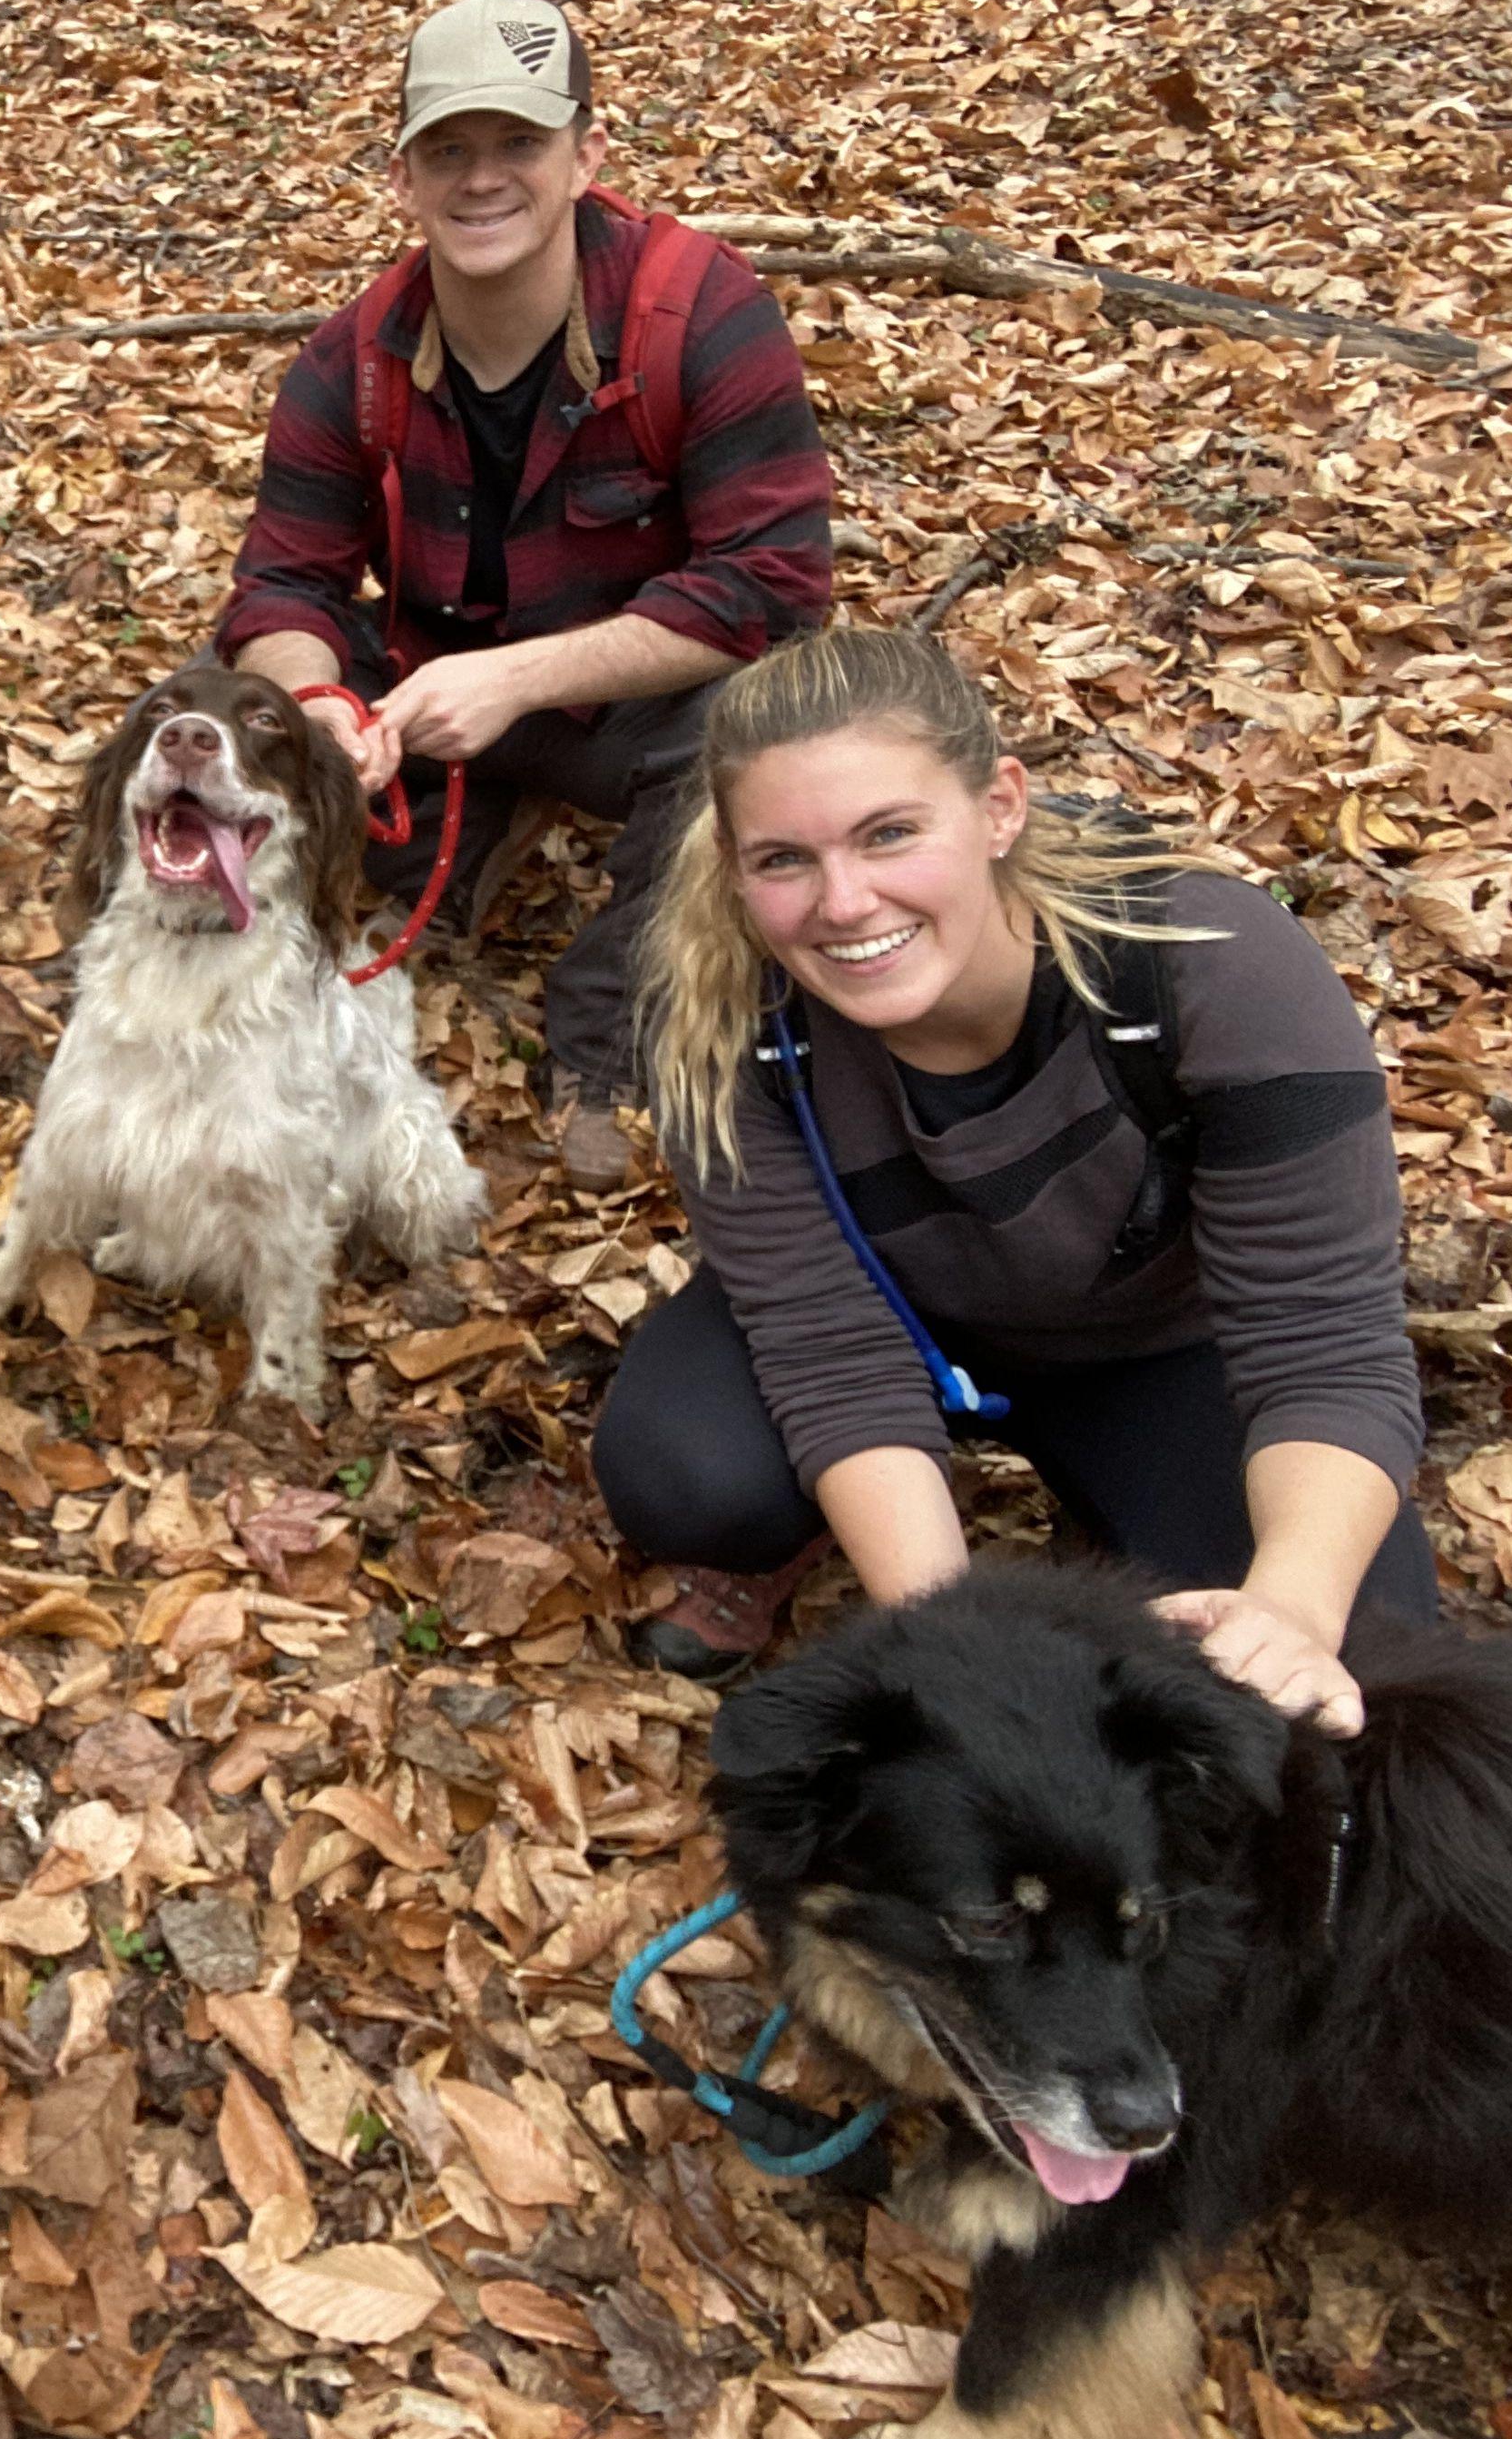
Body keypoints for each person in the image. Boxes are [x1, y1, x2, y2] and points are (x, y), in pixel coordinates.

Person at [595, 622, 1437, 1716]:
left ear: (999, 807)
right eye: (784, 861)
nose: (844, 903)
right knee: (685, 1473)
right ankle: (815, 1540)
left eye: (891, 834)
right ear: (737, 870)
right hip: (899, 1315)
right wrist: (959, 1643)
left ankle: (1126, 1511)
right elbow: (828, 1348)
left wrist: (1290, 1609)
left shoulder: (1208, 967)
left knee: (1363, 1640)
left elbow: (1324, 1339)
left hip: (1157, 1344)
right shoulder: (722, 1020)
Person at [214, 0, 836, 1192]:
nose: (481, 180)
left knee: (778, 718)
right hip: (425, 704)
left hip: (625, 712)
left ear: (587, 153)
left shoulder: (701, 314)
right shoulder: (350, 361)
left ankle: (605, 1041)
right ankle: (436, 857)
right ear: (403, 176)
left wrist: (516, 680)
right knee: (230, 697)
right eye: (447, 149)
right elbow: (283, 583)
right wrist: (326, 709)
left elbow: (776, 583)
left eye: (518, 145)